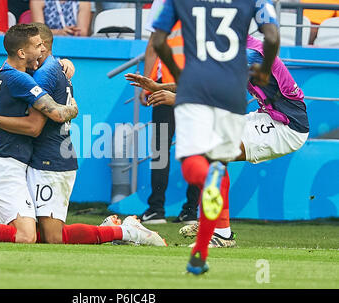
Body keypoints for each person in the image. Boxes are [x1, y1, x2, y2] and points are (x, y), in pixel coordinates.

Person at [0, 23, 167, 248]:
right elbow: (43, 119)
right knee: (27, 234)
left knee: (47, 237)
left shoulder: (33, 72)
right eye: (37, 45)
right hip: (26, 161)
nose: (42, 49)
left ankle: (123, 232)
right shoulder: (31, 74)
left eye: (42, 46)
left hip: (49, 161)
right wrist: (70, 104)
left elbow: (37, 118)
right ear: (25, 51)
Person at [126, 35, 309, 248]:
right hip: (269, 116)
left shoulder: (250, 55)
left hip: (287, 127)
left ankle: (222, 235)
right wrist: (159, 86)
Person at [151, 0, 280, 274]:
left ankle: (205, 177)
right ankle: (199, 255)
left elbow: (160, 40)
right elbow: (272, 35)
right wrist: (265, 69)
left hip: (196, 86)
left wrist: (178, 75)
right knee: (217, 166)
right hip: (232, 90)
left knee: (193, 164)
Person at [137, 0, 200, 225]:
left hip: (166, 85)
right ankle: (191, 212)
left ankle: (156, 210)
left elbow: (155, 44)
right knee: (198, 150)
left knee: (161, 149)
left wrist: (147, 84)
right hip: (199, 87)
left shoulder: (164, 2)